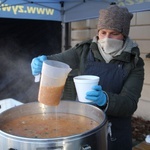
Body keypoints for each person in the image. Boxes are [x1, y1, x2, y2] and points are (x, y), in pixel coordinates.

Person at [31, 4, 144, 150]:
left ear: (124, 34)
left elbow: (129, 104)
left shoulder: (134, 63)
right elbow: (56, 61)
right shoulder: (83, 51)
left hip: (114, 132)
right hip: (81, 125)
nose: (107, 38)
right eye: (103, 32)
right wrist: (43, 61)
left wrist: (105, 99)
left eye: (114, 33)